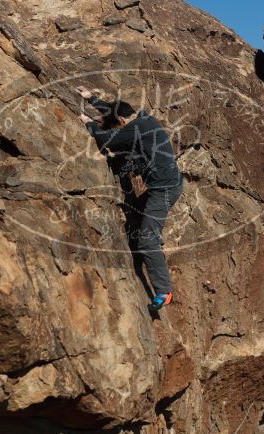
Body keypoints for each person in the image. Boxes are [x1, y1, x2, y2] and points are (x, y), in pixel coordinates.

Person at [75, 86, 183, 312]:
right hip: (168, 184)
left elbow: (107, 138)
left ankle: (164, 291)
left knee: (146, 240)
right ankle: (154, 237)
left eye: (119, 125)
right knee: (135, 214)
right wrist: (92, 99)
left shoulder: (135, 128)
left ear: (124, 122)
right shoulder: (144, 120)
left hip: (162, 191)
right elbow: (117, 114)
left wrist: (88, 122)